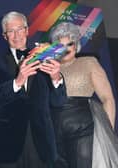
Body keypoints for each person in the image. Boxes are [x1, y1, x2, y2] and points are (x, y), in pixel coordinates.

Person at [0, 11, 66, 168]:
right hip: (5, 144)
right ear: (4, 36)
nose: (16, 35)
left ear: (27, 31)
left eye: (20, 29)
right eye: (11, 31)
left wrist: (56, 78)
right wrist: (17, 82)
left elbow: (59, 102)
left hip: (40, 144)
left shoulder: (46, 57)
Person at [49, 22, 118, 168]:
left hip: (83, 129)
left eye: (70, 44)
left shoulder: (88, 62)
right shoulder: (49, 68)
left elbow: (108, 99)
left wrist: (107, 133)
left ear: (76, 45)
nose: (66, 49)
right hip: (53, 130)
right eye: (61, 45)